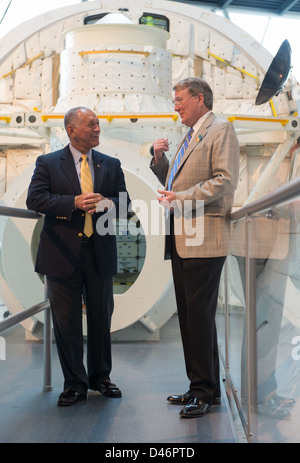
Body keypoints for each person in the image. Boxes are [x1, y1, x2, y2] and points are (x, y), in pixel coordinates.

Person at [26, 107, 130, 406]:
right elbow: (35, 199)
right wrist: (72, 202)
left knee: (101, 318)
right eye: (90, 125)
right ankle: (74, 383)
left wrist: (108, 203)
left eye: (98, 124)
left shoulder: (110, 165)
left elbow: (125, 204)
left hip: (99, 253)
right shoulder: (47, 162)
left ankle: (101, 378)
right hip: (61, 254)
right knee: (67, 323)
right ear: (71, 130)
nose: (97, 129)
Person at [150, 77, 240, 418]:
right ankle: (202, 387)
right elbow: (175, 184)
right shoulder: (188, 137)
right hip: (184, 237)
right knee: (190, 317)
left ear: (200, 99)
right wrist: (160, 161)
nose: (175, 106)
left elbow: (225, 179)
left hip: (205, 237)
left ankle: (203, 392)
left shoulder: (221, 130)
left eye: (179, 100)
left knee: (198, 317)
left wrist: (181, 198)